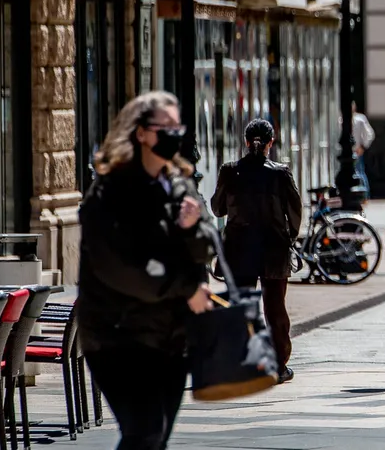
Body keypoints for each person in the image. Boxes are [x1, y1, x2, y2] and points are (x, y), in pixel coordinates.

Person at [78, 91, 215, 449]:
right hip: (117, 335)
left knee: (157, 434)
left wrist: (193, 228)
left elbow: (204, 252)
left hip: (170, 337)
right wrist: (185, 289)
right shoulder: (110, 193)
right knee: (145, 431)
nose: (173, 134)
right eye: (163, 127)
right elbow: (119, 268)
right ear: (140, 133)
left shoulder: (180, 185)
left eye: (177, 126)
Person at [211, 119, 302, 384]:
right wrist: (290, 238)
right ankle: (278, 365)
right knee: (275, 309)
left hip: (239, 249)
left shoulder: (230, 171)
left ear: (246, 141)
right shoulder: (280, 173)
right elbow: (294, 212)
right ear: (270, 143)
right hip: (273, 248)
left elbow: (218, 209)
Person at [352, 101, 375, 196]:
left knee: (360, 172)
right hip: (347, 151)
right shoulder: (340, 119)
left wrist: (363, 146)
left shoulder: (360, 119)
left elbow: (370, 134)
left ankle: (365, 195)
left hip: (357, 150)